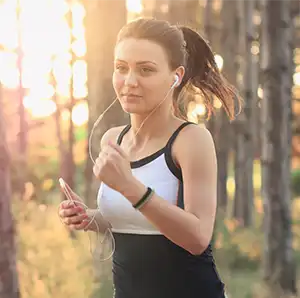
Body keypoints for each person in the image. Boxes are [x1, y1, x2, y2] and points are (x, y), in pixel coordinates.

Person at [58, 17, 239, 298]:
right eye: (122, 68)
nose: (130, 82)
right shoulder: (113, 140)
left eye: (146, 70)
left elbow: (198, 237)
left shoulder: (190, 140)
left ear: (175, 76)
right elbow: (131, 220)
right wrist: (89, 218)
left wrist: (130, 187)